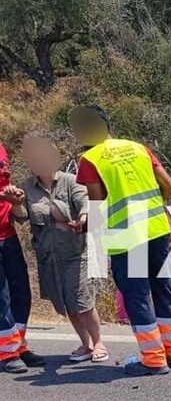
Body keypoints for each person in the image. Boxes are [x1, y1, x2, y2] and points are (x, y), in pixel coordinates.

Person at [71, 105, 171, 376]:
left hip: (126, 235)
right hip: (156, 228)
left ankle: (154, 360)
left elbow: (97, 205)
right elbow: (170, 187)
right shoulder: (138, 148)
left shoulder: (91, 159)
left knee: (137, 296)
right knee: (162, 289)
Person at [10, 135, 107, 363]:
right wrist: (15, 203)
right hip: (48, 257)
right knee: (65, 302)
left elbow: (85, 203)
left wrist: (83, 218)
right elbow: (22, 217)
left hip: (75, 253)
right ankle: (85, 344)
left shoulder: (71, 181)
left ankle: (99, 342)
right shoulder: (27, 187)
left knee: (82, 301)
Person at [0, 143, 41, 373]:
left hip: (7, 233)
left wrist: (14, 198)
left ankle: (19, 345)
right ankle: (7, 352)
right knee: (1, 297)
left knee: (21, 291)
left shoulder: (1, 149)